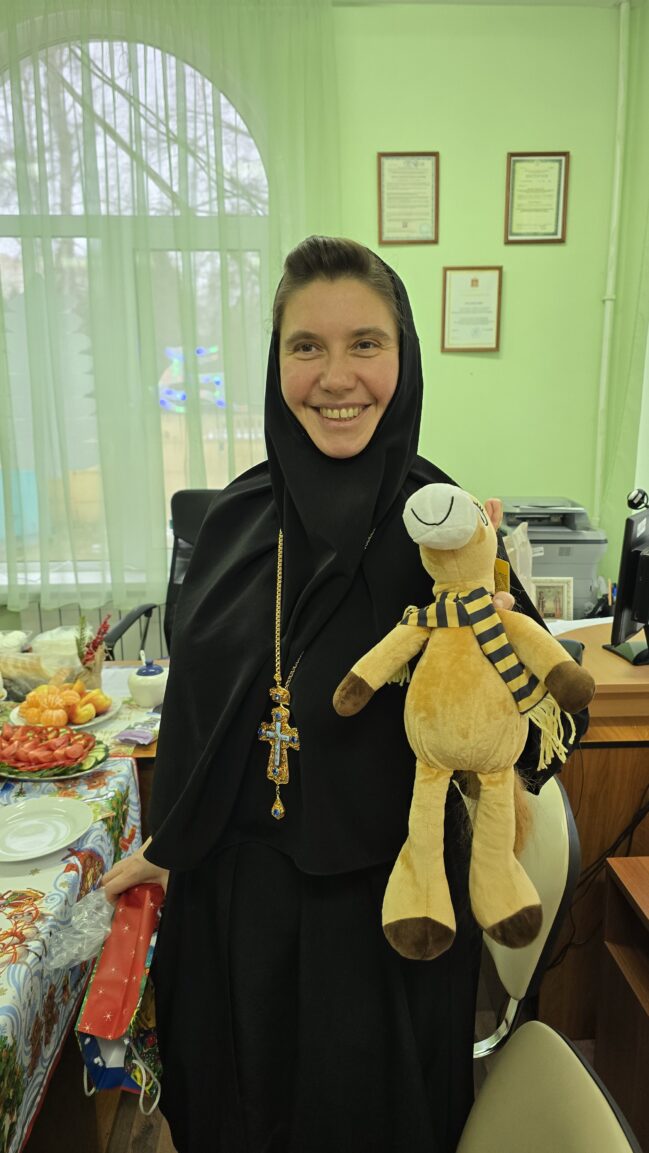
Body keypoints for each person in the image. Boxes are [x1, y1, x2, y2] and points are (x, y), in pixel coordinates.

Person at [103, 236, 586, 1153]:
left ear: (402, 359)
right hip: (238, 910)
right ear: (276, 362)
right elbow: (201, 717)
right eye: (306, 346)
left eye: (365, 343)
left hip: (393, 915)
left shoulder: (443, 525)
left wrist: (498, 687)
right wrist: (171, 842)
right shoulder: (234, 520)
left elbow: (552, 728)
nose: (335, 377)